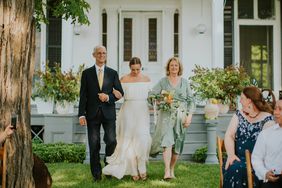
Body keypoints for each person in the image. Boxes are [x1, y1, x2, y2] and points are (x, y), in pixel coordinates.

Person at [78, 45, 124, 182]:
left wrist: (109, 97)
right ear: (94, 55)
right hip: (92, 114)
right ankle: (96, 174)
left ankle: (109, 167)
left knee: (111, 141)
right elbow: (83, 95)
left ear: (106, 55)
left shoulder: (112, 73)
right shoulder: (86, 73)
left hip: (108, 113)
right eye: (99, 53)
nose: (101, 55)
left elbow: (120, 93)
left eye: (104, 53)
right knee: (94, 144)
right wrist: (81, 114)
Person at [102, 57, 152, 181]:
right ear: (130, 67)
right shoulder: (124, 79)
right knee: (128, 140)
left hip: (142, 111)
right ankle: (133, 169)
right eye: (133, 69)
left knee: (142, 138)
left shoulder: (146, 79)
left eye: (138, 69)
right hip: (128, 110)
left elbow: (151, 97)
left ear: (141, 67)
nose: (135, 72)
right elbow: (117, 95)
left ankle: (142, 167)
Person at [149, 57, 195, 180]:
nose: (174, 67)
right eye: (172, 65)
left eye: (176, 65)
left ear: (179, 68)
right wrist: (159, 101)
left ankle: (172, 168)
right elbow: (152, 94)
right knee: (167, 142)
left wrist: (189, 116)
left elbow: (191, 101)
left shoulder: (185, 82)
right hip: (166, 116)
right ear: (168, 68)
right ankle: (167, 171)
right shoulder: (163, 81)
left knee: (178, 145)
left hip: (181, 117)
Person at [223, 86, 276, 188]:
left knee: (240, 169)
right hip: (237, 158)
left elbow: (269, 145)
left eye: (242, 98)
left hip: (257, 162)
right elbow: (229, 135)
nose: (240, 101)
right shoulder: (239, 115)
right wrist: (231, 155)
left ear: (249, 101)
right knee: (234, 167)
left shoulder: (267, 119)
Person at [252, 99, 282, 188]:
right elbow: (256, 158)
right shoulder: (266, 134)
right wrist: (265, 173)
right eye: (275, 108)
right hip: (273, 179)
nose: (275, 112)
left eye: (280, 109)